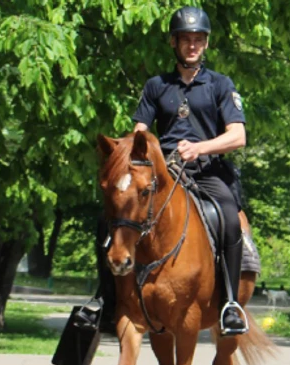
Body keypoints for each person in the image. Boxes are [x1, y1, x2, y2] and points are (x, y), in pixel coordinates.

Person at [99, 5, 249, 335]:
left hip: (207, 171)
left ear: (206, 44)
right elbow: (139, 133)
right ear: (174, 43)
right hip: (161, 174)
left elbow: (238, 136)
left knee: (227, 217)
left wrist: (200, 148)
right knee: (116, 215)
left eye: (198, 39)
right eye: (186, 39)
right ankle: (107, 299)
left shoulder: (221, 85)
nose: (192, 45)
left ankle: (229, 305)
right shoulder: (156, 85)